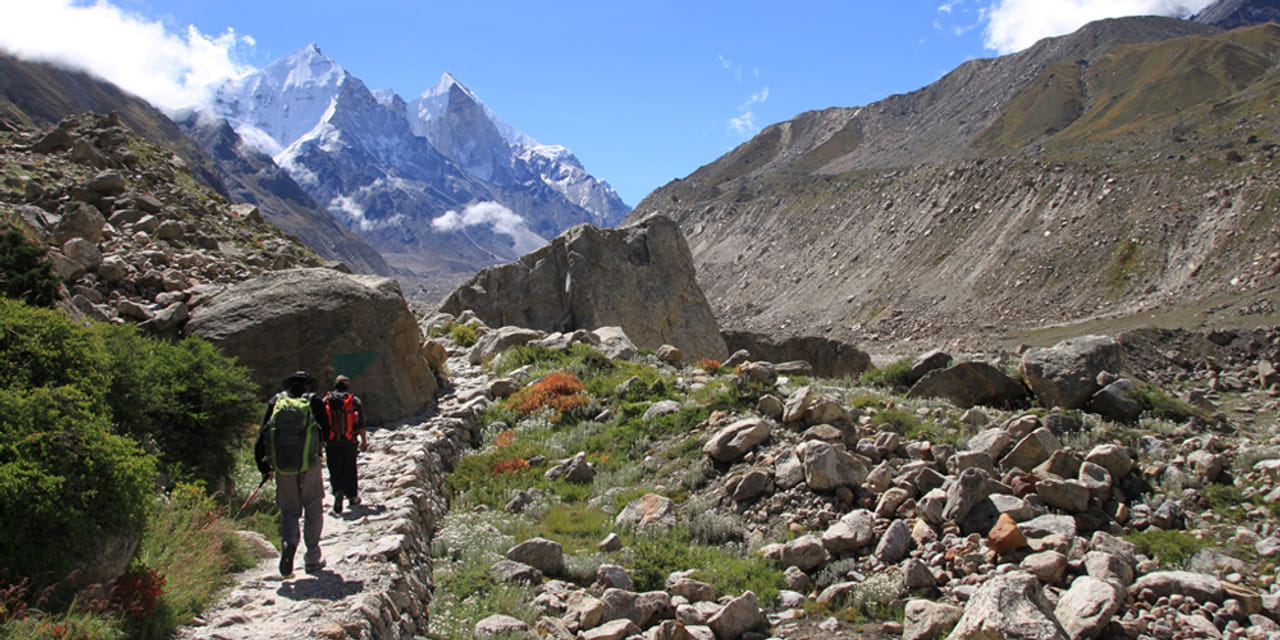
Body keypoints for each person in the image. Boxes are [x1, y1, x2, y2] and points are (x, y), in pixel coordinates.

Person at [255, 370, 330, 576]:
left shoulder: (275, 402)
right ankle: (312, 557)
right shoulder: (313, 401)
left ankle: (289, 543)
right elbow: (327, 430)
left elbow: (262, 436)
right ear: (307, 386)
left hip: (283, 466)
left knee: (289, 510)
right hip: (309, 463)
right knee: (313, 505)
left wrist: (265, 468)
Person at [324, 374, 368, 515]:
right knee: (350, 467)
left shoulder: (326, 400)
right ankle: (352, 496)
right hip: (349, 440)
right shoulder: (353, 400)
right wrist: (364, 440)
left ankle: (338, 491)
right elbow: (360, 423)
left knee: (334, 467)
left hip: (330, 441)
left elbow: (321, 423)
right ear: (347, 386)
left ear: (334, 386)